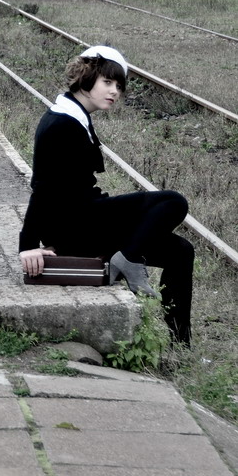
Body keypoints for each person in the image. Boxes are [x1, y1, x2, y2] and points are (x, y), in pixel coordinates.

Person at [18, 45, 194, 344]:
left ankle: (181, 343)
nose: (115, 92)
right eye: (107, 83)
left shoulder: (73, 115)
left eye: (119, 86)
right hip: (77, 225)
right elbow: (43, 188)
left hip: (86, 216)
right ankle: (127, 259)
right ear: (86, 78)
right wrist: (28, 245)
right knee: (173, 201)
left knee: (180, 251)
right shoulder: (62, 124)